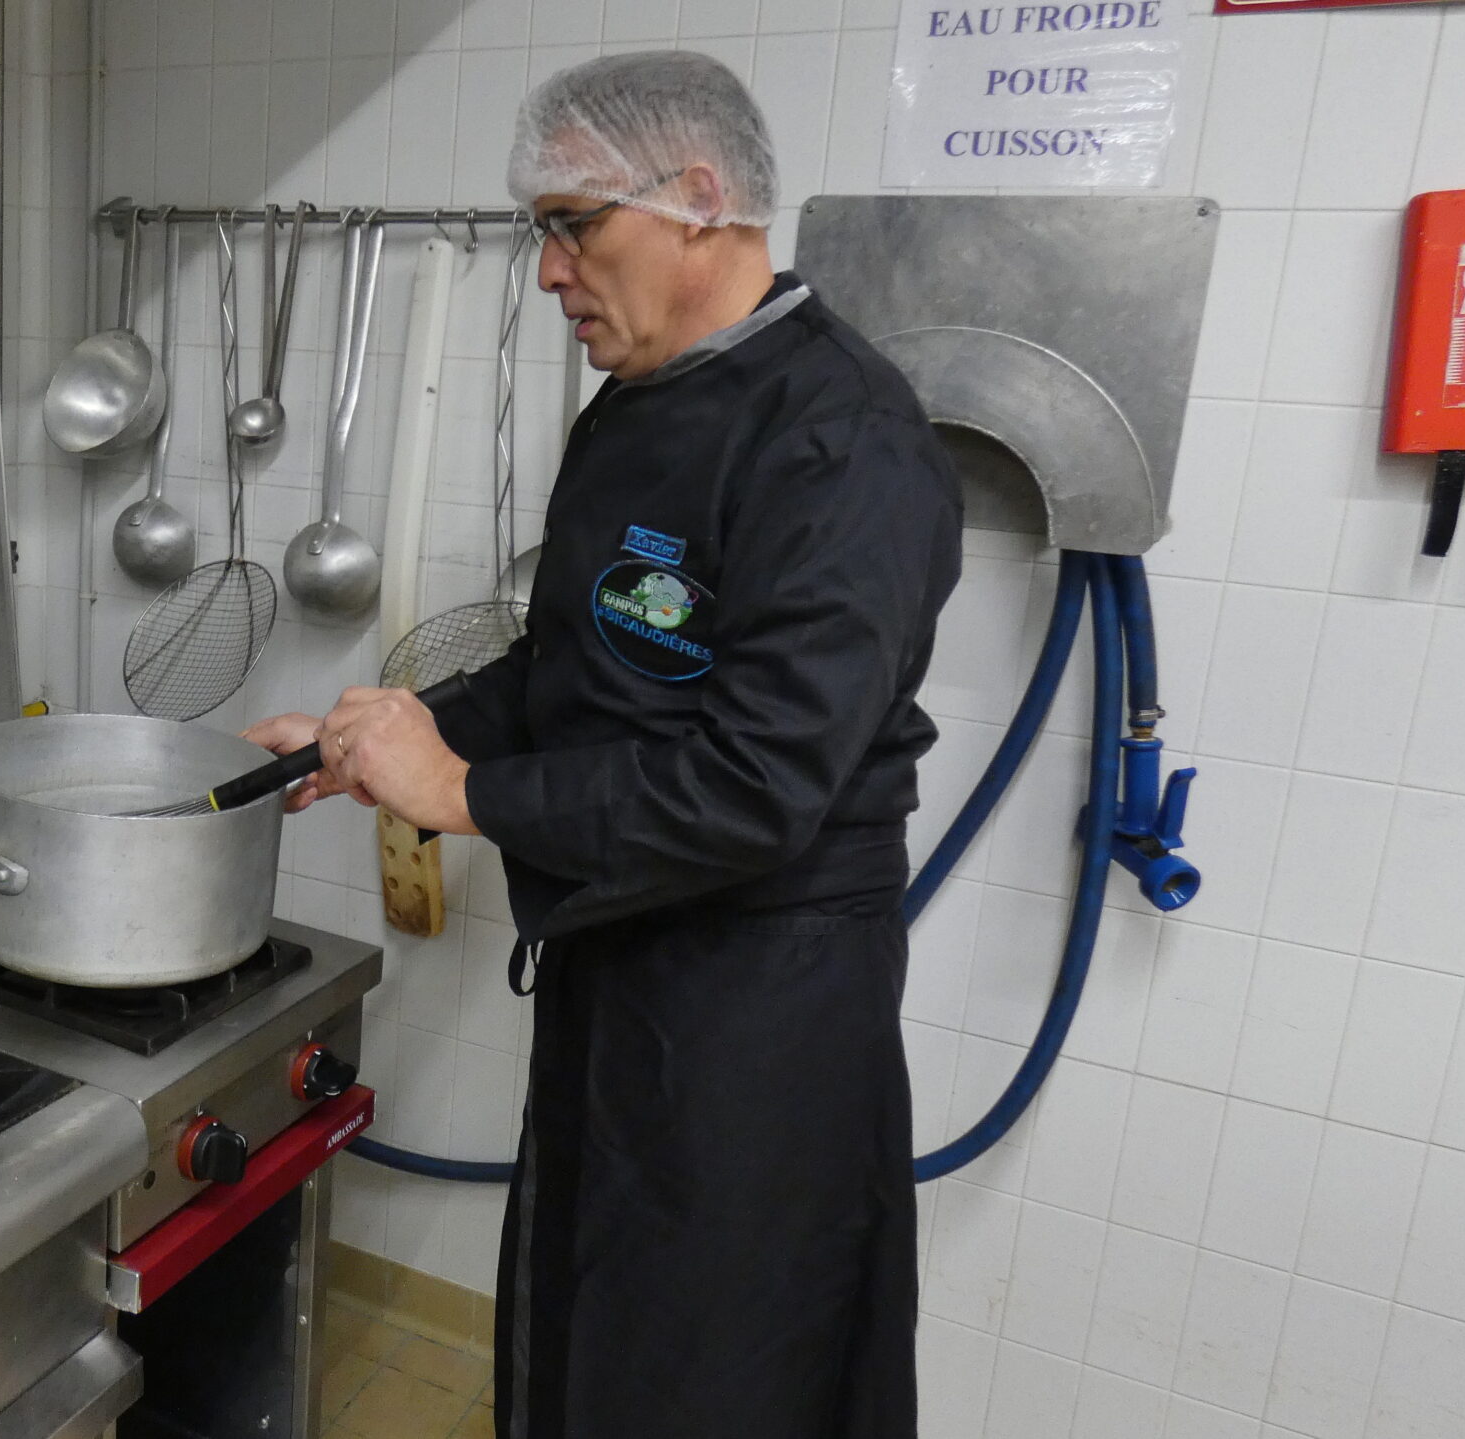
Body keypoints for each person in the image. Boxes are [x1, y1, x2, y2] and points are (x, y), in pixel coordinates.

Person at [245, 49, 962, 1439]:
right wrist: (377, 740)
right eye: (544, 233)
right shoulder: (635, 406)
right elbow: (571, 670)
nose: (548, 273)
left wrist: (462, 792)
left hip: (760, 1004)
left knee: (719, 1371)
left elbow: (757, 786)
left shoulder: (845, 444)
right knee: (585, 1320)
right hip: (617, 964)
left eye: (572, 226)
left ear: (697, 199)